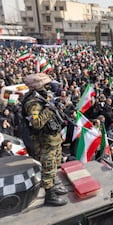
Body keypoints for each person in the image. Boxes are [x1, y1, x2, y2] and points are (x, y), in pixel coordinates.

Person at [21, 73, 67, 206]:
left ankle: (53, 184)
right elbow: (36, 124)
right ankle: (50, 195)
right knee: (48, 167)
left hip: (52, 138)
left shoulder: (41, 96)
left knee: (54, 164)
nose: (49, 87)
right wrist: (48, 110)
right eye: (46, 84)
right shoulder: (33, 103)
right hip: (44, 141)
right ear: (38, 85)